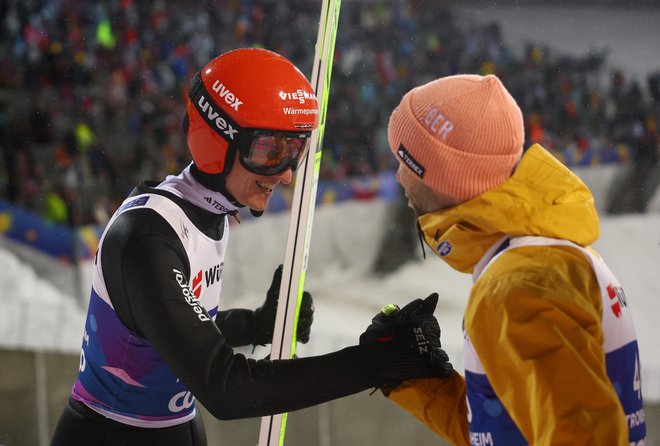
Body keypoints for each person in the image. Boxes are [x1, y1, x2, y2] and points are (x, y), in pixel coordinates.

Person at [50, 48, 453, 446]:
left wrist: (258, 324)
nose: (285, 176)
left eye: (294, 152)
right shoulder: (146, 238)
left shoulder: (204, 213)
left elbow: (173, 331)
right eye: (269, 152)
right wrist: (376, 362)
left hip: (174, 430)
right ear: (217, 139)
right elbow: (227, 388)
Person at [381, 74, 646, 445]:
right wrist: (420, 380)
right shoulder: (538, 255)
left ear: (442, 176)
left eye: (405, 162)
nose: (399, 177)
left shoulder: (521, 282)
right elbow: (516, 430)